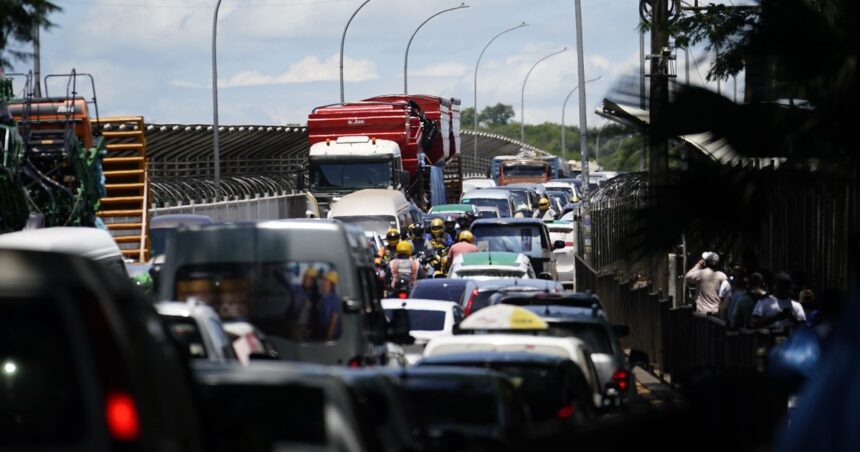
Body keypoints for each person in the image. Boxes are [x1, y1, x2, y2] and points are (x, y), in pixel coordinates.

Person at [316, 271, 342, 341]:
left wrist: (328, 337)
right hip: (321, 333)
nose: (324, 282)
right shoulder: (322, 297)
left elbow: (334, 320)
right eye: (324, 280)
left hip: (331, 336)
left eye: (326, 281)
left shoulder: (334, 299)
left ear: (331, 285)